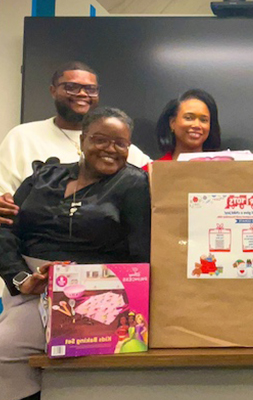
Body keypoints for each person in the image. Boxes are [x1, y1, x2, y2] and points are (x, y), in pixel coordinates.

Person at [0, 107, 151, 400]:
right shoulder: (44, 175)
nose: (110, 150)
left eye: (121, 143)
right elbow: (5, 229)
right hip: (27, 289)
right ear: (82, 140)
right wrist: (22, 279)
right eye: (100, 140)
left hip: (91, 297)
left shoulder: (134, 185)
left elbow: (141, 252)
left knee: (5, 348)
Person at [0, 61, 150, 224]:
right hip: (34, 235)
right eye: (71, 87)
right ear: (53, 90)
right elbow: (4, 194)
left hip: (100, 240)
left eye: (90, 89)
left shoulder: (118, 147)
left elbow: (158, 182)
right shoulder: (23, 136)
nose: (82, 94)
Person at [148, 88, 221, 166]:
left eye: (203, 120)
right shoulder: (150, 171)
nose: (196, 125)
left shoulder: (224, 170)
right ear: (172, 123)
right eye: (189, 118)